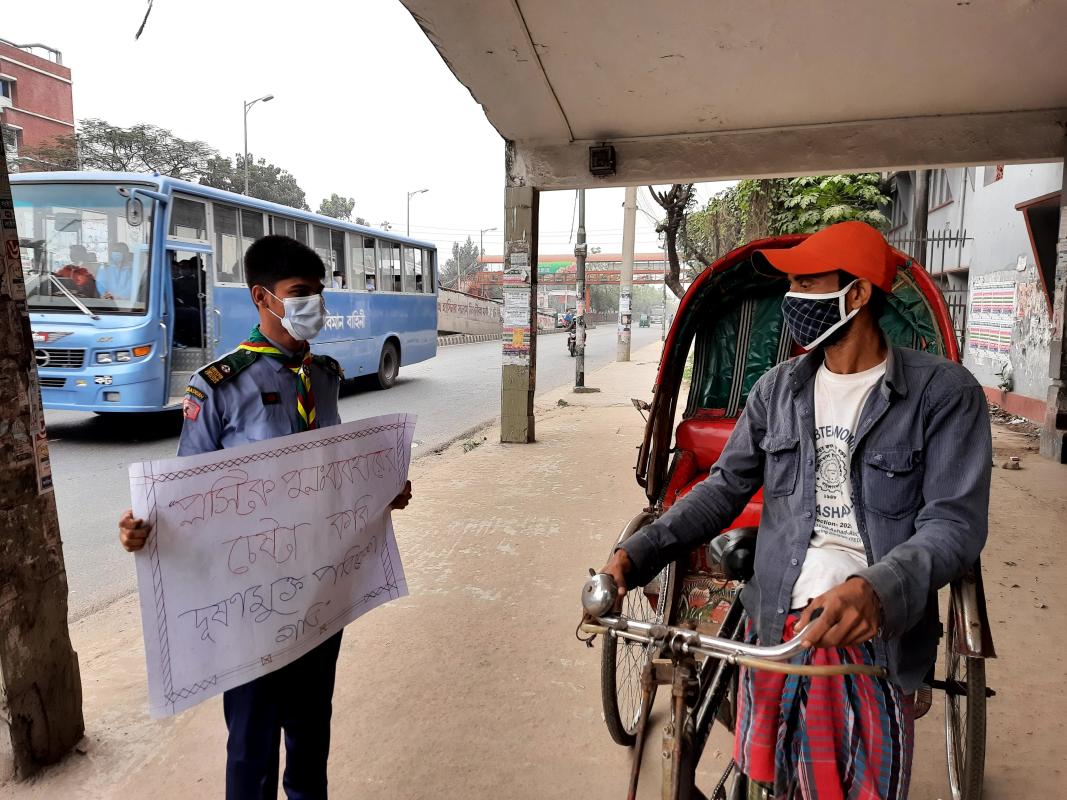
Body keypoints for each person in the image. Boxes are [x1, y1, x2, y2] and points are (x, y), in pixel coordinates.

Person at [598, 221, 991, 798]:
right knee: (766, 779)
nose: (793, 302)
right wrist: (636, 555)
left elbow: (954, 524)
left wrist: (876, 590)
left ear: (856, 295)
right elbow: (722, 489)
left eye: (807, 285)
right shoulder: (775, 391)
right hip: (774, 616)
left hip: (869, 632)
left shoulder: (945, 395)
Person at [117, 235, 413, 799]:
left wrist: (380, 493)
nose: (315, 306)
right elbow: (185, 495)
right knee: (251, 745)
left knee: (310, 735)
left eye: (319, 294)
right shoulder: (220, 386)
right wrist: (141, 528)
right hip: (249, 602)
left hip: (321, 592)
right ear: (261, 297)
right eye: (300, 293)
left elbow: (330, 476)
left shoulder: (323, 375)